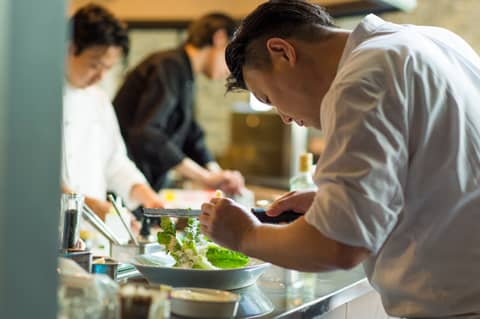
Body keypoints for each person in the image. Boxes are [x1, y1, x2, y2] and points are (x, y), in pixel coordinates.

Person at [199, 1, 480, 317]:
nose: (285, 118)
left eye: (268, 98)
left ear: (282, 52)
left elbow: (338, 245)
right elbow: (447, 172)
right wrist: (332, 201)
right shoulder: (435, 41)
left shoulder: (362, 77)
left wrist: (244, 234)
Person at [63, 4, 164, 245]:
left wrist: (145, 194)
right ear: (70, 48)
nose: (100, 76)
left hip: (92, 235)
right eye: (95, 65)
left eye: (107, 68)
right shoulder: (33, 95)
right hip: (50, 230)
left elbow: (114, 161)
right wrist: (91, 205)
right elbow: (35, 174)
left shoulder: (97, 98)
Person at [113, 13, 245, 195]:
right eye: (233, 54)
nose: (231, 67)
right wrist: (204, 177)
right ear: (219, 38)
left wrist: (217, 173)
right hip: (126, 186)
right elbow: (147, 133)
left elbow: (191, 133)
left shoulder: (185, 73)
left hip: (145, 185)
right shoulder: (169, 65)